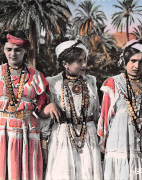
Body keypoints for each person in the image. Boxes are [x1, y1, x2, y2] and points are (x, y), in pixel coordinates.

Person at [0, 30, 60, 180]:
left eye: (18, 50)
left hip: (27, 130)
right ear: (3, 50)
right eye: (9, 49)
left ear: (25, 51)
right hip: (0, 130)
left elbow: (40, 110)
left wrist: (49, 107)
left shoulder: (36, 76)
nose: (13, 54)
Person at [98, 39, 142, 179]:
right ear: (125, 61)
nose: (136, 66)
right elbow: (104, 117)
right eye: (133, 61)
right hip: (120, 141)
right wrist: (103, 145)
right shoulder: (113, 83)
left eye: (141, 62)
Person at [39, 40, 102, 180]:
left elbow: (97, 112)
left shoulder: (91, 81)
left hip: (88, 136)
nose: (84, 64)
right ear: (65, 64)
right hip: (62, 136)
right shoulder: (53, 83)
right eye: (78, 61)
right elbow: (43, 116)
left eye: (85, 60)